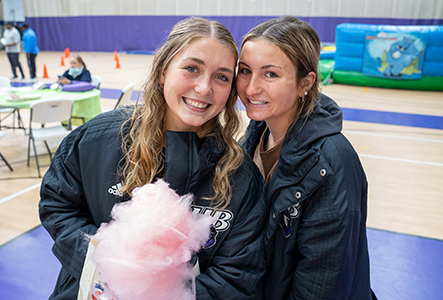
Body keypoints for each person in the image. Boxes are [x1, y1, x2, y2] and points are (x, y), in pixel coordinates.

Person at [39, 17, 266, 300]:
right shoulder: (96, 139)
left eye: (221, 77)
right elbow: (57, 204)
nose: (204, 88)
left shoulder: (239, 177)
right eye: (192, 68)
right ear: (162, 69)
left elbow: (237, 274)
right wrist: (111, 266)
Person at [238, 16, 376, 300]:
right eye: (245, 71)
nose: (251, 88)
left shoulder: (332, 163)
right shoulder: (251, 140)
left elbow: (321, 287)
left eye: (271, 74)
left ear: (306, 82)